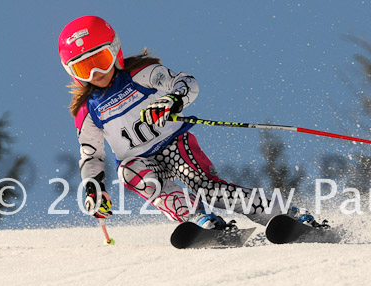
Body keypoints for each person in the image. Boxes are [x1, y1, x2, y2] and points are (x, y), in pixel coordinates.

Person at [58, 15, 320, 230]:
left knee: (209, 189)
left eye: (101, 61)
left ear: (115, 51)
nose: (97, 73)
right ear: (73, 73)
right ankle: (198, 220)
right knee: (130, 173)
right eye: (84, 69)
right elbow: (91, 155)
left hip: (173, 144)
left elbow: (186, 83)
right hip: (137, 159)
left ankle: (288, 215)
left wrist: (173, 100)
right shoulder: (87, 110)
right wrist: (94, 187)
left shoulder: (142, 74)